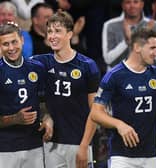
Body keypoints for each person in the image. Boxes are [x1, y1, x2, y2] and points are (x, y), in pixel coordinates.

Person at [77, 27, 156, 168]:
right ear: (137, 47)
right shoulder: (114, 76)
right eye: (152, 48)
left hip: (151, 156)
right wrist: (119, 124)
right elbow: (95, 113)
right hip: (122, 157)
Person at [32, 10, 100, 168]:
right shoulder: (41, 63)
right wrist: (46, 116)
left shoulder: (87, 66)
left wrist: (84, 146)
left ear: (70, 34)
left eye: (57, 31)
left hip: (79, 143)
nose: (52, 36)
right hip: (51, 144)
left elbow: (95, 112)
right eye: (49, 31)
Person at [0, 22, 53, 168]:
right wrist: (14, 119)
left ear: (22, 40)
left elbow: (44, 102)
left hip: (34, 145)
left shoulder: (37, 68)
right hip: (5, 149)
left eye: (14, 42)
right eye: (5, 44)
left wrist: (48, 118)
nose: (11, 48)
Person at [102, 0, 156, 71]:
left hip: (147, 77)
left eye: (136, 2)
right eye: (128, 2)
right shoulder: (110, 25)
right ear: (123, 5)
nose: (132, 6)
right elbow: (108, 60)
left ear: (142, 4)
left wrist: (146, 36)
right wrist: (126, 42)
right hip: (118, 77)